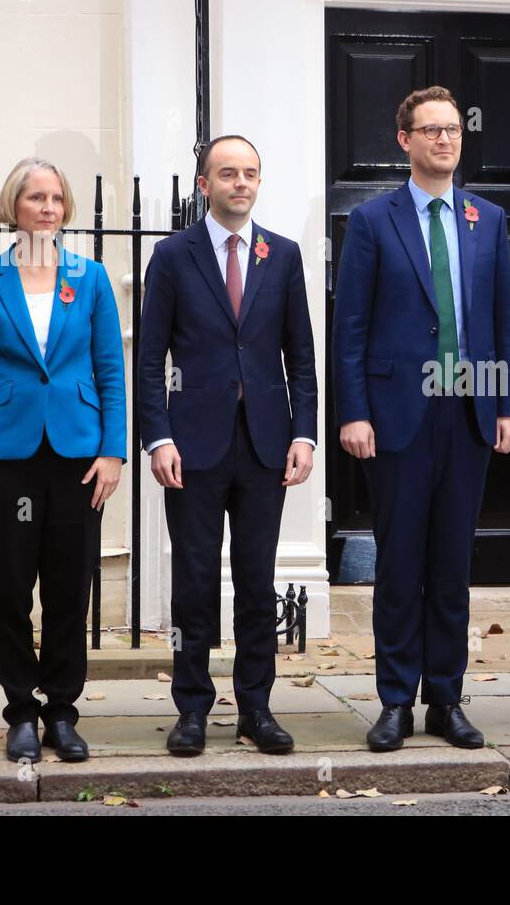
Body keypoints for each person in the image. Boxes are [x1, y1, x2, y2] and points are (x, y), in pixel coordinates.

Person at [332, 85, 510, 752]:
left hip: (467, 410)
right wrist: (352, 412)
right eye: (430, 130)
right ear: (404, 141)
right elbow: (349, 326)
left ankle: (446, 698)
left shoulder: (487, 219)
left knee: (450, 565)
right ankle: (394, 701)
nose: (444, 139)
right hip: (396, 417)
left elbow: (501, 319)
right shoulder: (372, 221)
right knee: (400, 562)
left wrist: (508, 404)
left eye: (452, 129)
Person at [138, 135, 317, 756]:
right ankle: (191, 708)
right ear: (203, 184)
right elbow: (149, 357)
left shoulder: (283, 255)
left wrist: (304, 431)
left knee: (257, 581)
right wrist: (157, 435)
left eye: (250, 174)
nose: (241, 183)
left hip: (266, 444)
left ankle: (256, 707)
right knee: (193, 582)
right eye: (228, 174)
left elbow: (301, 353)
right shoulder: (172, 256)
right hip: (191, 448)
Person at [0, 157, 126, 763]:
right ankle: (20, 711)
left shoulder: (92, 277)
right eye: (36, 198)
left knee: (69, 587)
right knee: (7, 587)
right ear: (13, 207)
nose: (48, 208)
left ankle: (62, 711)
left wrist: (113, 451)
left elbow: (111, 369)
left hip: (78, 454)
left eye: (56, 198)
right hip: (5, 455)